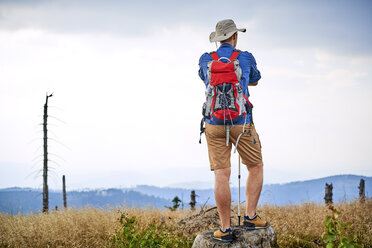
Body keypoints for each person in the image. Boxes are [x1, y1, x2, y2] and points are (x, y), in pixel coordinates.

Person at [198, 19, 268, 242]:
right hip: (242, 122)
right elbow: (255, 80)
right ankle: (250, 216)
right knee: (255, 166)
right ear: (235, 36)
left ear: (218, 39)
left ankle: (225, 229)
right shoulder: (245, 57)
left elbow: (205, 80)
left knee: (221, 174)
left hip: (214, 123)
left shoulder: (206, 59)